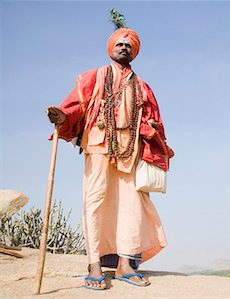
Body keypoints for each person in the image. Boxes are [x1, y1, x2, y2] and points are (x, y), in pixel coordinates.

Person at [46, 27, 174, 290]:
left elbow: (156, 122)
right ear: (112, 47)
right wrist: (63, 117)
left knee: (131, 206)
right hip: (98, 145)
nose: (124, 47)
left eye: (129, 44)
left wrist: (150, 128)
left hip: (130, 151)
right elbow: (74, 105)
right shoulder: (95, 76)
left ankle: (125, 265)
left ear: (134, 51)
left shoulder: (143, 87)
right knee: (94, 202)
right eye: (120, 43)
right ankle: (94, 264)